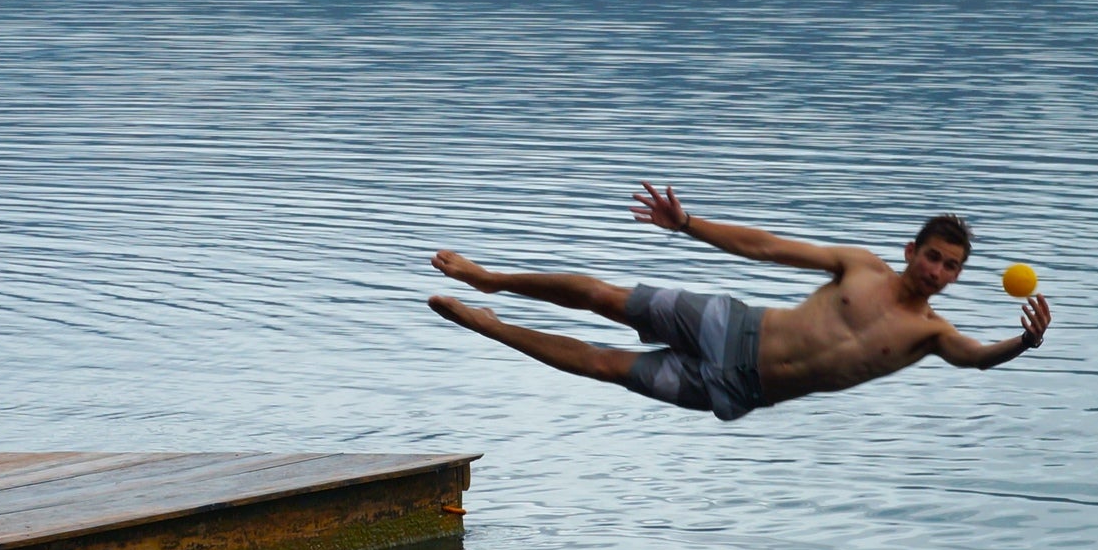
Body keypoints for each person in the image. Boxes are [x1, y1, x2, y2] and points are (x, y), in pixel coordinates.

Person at [427, 183, 1052, 419]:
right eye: (934, 256)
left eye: (953, 268)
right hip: (732, 325)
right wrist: (687, 224)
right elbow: (767, 247)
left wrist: (1024, 343)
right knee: (600, 296)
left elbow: (975, 359)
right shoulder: (860, 266)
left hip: (738, 390)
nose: (940, 272)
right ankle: (493, 281)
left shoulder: (931, 334)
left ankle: (492, 327)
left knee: (601, 365)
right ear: (911, 249)